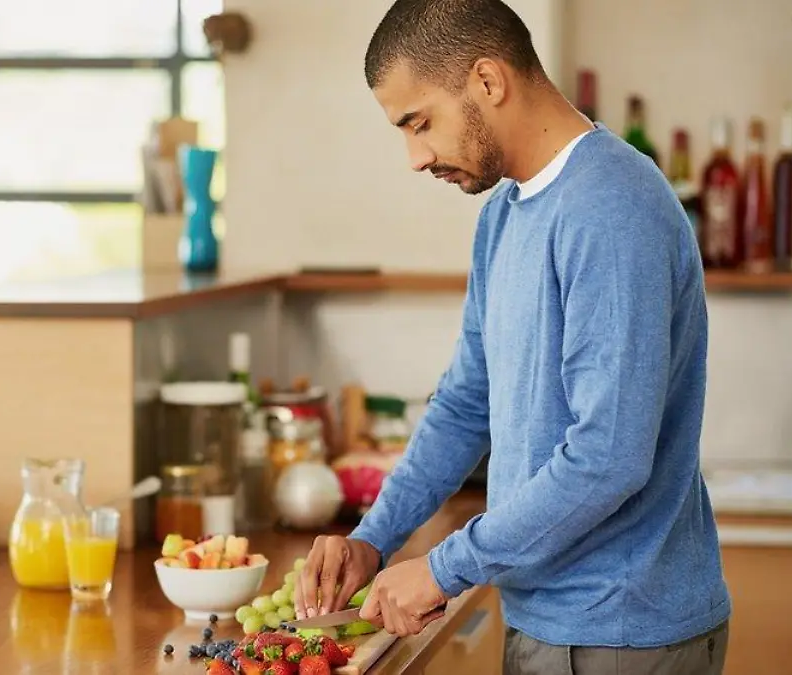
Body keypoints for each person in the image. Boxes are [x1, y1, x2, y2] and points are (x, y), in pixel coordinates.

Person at [293, 1, 732, 673]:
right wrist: (373, 539)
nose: (414, 157)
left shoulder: (611, 207)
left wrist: (444, 566)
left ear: (488, 82)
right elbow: (467, 403)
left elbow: (608, 455)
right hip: (548, 615)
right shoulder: (505, 213)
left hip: (621, 630)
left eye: (420, 123)